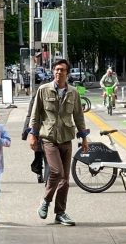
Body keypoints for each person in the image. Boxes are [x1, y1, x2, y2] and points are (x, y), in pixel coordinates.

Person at [28, 59, 90, 227]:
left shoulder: (73, 93)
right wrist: (32, 135)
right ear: (53, 72)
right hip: (48, 137)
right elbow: (36, 114)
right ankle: (46, 201)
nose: (58, 72)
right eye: (56, 69)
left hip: (66, 138)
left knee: (65, 179)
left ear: (67, 73)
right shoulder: (43, 89)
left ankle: (60, 213)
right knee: (56, 172)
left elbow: (78, 116)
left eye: (62, 70)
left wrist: (84, 138)